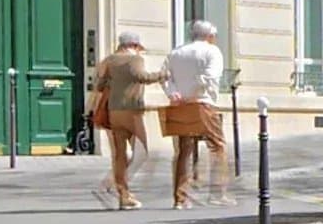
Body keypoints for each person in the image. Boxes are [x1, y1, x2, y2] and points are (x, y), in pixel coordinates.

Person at [89, 29, 160, 210]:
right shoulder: (135, 59)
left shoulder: (109, 61)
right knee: (142, 152)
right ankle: (118, 186)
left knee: (120, 155)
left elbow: (100, 85)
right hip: (132, 110)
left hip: (114, 111)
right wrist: (163, 75)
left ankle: (123, 195)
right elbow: (142, 77)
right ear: (134, 45)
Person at [162, 22, 226, 207]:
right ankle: (217, 194)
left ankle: (180, 199)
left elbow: (164, 76)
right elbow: (210, 77)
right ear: (210, 36)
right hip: (203, 103)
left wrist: (173, 93)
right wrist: (194, 92)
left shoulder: (176, 53)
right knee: (217, 146)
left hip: (180, 104)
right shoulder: (212, 52)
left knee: (184, 151)